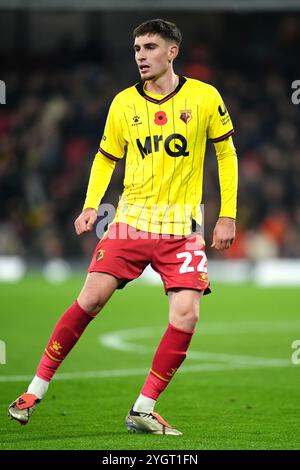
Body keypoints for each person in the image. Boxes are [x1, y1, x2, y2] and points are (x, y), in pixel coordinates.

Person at [8, 19, 238, 435]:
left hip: (182, 228)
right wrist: (91, 205)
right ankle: (34, 390)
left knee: (186, 315)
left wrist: (227, 214)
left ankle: (143, 409)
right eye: (136, 49)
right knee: (91, 299)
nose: (141, 56)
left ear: (172, 52)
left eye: (150, 47)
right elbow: (105, 157)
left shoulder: (205, 97)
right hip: (129, 223)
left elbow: (226, 155)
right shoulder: (122, 104)